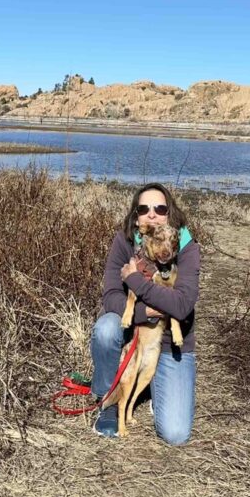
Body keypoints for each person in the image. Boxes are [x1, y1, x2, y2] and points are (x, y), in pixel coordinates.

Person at [89, 182, 200, 444]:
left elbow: (182, 305)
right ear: (135, 216)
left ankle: (155, 391)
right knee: (106, 328)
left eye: (159, 208)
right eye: (143, 208)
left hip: (171, 343)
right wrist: (147, 312)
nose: (151, 214)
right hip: (135, 335)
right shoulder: (125, 242)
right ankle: (109, 402)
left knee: (175, 434)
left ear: (169, 213)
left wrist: (136, 281)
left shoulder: (186, 246)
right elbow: (111, 297)